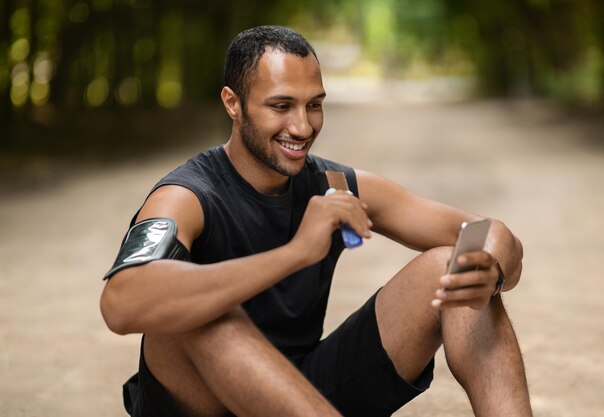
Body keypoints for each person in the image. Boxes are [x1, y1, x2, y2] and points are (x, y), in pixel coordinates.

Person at [100, 25, 532, 417]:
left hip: (303, 395)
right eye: (281, 106)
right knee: (200, 311)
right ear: (233, 103)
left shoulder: (333, 185)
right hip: (205, 403)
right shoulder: (187, 195)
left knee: (457, 262)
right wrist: (295, 253)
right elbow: (120, 303)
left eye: (315, 105)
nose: (303, 127)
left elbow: (488, 232)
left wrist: (490, 269)